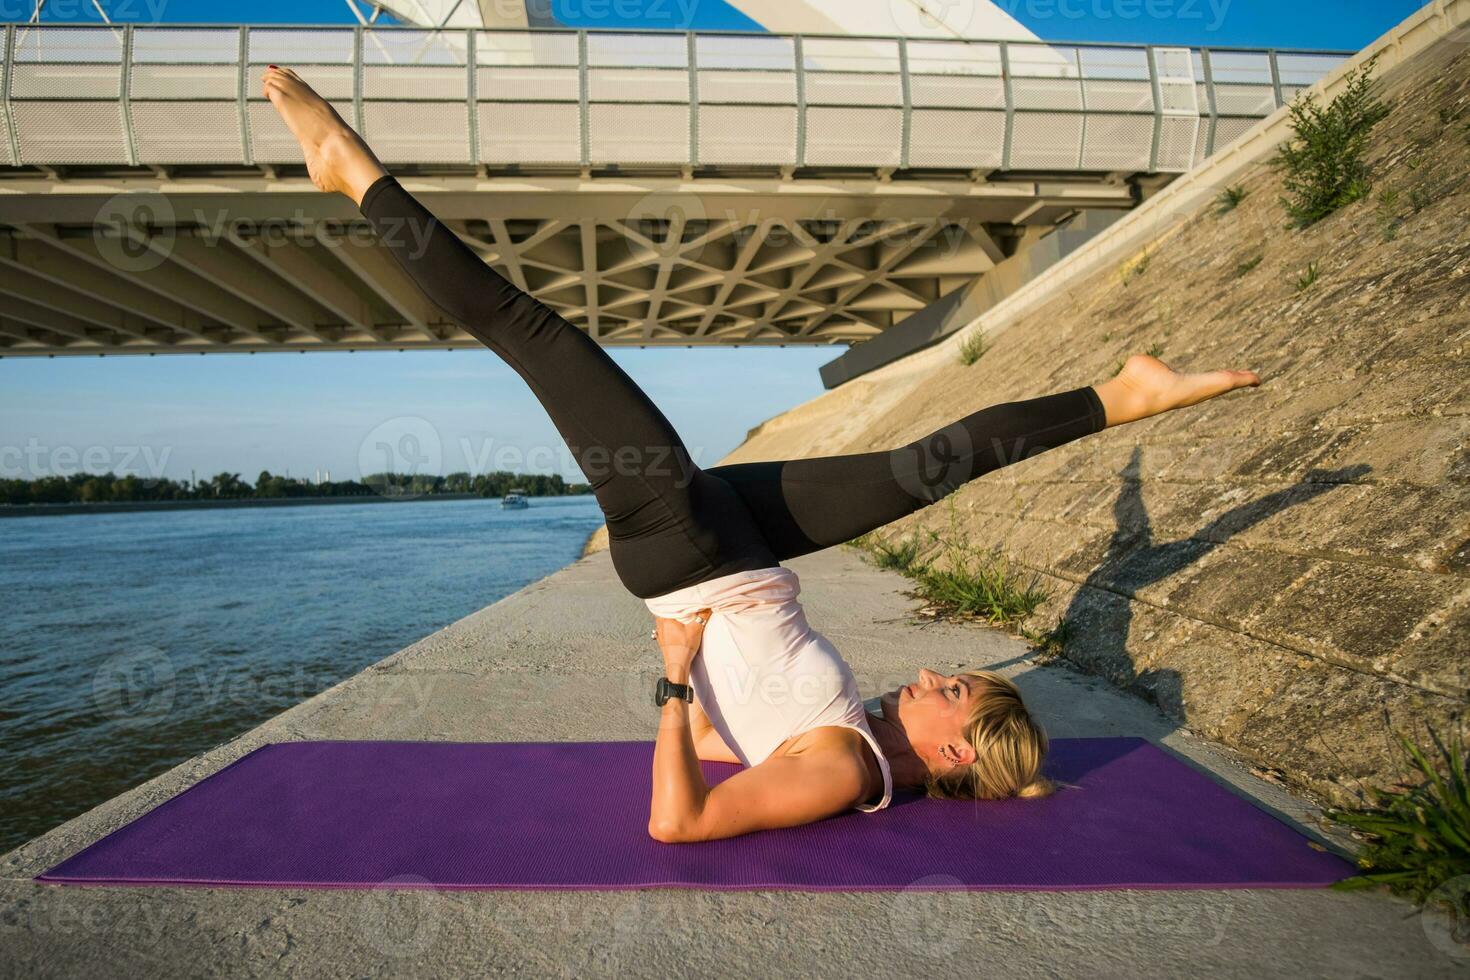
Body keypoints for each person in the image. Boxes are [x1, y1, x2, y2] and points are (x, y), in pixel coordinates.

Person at [262, 66, 1261, 844]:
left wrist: (673, 674)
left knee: (535, 332)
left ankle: (351, 170)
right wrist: (702, 707)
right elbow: (718, 744)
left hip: (689, 549)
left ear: (953, 747)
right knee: (933, 462)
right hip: (747, 549)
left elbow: (679, 820)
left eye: (948, 686)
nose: (927, 671)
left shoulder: (843, 769)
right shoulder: (854, 741)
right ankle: (1123, 395)